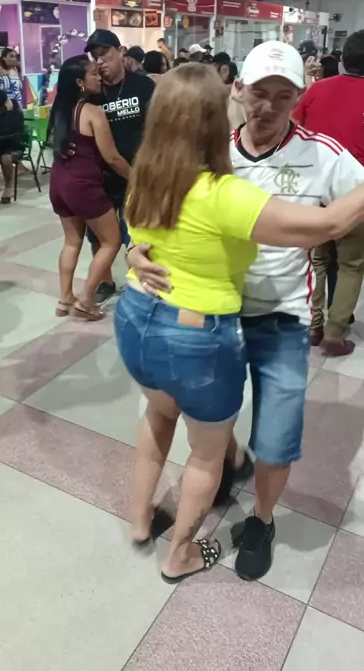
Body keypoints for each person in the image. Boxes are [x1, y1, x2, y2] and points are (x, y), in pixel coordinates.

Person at [117, 59, 364, 584]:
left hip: (265, 318)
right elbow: (327, 223)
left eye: (284, 94)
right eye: (258, 92)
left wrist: (134, 250)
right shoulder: (217, 170)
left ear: (300, 96)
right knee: (207, 439)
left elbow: (138, 214)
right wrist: (133, 250)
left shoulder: (320, 154)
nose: (268, 106)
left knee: (267, 439)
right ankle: (196, 518)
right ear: (236, 93)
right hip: (208, 326)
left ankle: (253, 520)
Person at [293, 30, 364, 354]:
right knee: (352, 264)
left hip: (315, 188)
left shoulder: (317, 90)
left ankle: (313, 325)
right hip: (356, 193)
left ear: (343, 58)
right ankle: (335, 333)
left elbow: (294, 131)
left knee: (316, 260)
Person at [49, 56, 130, 319]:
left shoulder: (59, 111)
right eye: (94, 73)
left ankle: (65, 300)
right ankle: (85, 300)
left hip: (59, 183)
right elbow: (112, 157)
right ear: (79, 82)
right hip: (82, 185)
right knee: (112, 241)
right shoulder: (93, 112)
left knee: (71, 241)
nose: (99, 77)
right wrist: (136, 178)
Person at [84, 29, 154, 304]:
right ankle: (105, 282)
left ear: (121, 51)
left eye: (105, 54)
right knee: (98, 236)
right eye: (95, 56)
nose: (100, 61)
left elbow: (157, 127)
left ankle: (141, 282)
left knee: (137, 234)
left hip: (137, 175)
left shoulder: (143, 86)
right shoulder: (93, 91)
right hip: (101, 177)